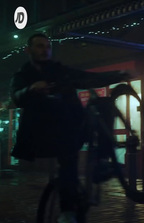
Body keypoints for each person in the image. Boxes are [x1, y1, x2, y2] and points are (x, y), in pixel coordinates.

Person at [10, 33, 134, 223]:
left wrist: (117, 75)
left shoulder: (60, 71)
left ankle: (102, 160)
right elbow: (17, 96)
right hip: (44, 134)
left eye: (47, 47)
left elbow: (86, 78)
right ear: (29, 50)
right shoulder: (23, 75)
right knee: (68, 160)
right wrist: (31, 89)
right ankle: (66, 211)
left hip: (72, 126)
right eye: (39, 46)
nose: (45, 50)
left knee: (104, 105)